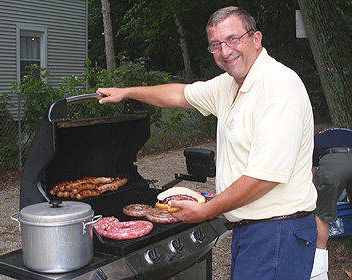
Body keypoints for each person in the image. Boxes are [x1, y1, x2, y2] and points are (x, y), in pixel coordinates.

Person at [96, 6, 317, 279]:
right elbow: (180, 95)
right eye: (216, 44)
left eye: (233, 39)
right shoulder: (230, 84)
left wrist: (206, 211)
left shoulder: (277, 86)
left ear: (256, 39)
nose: (225, 52)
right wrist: (128, 92)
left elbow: (264, 178)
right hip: (254, 231)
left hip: (277, 234)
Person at [311, 127, 352, 280]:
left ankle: (318, 270)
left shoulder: (316, 139)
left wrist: (315, 196)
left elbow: (312, 172)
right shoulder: (348, 132)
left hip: (332, 161)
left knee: (322, 215)